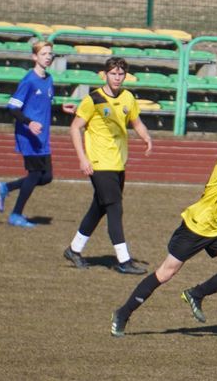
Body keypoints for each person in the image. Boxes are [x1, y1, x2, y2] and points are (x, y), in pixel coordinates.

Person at [110, 118, 217, 337]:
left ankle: (196, 294)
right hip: (196, 227)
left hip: (216, 227)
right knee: (165, 273)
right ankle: (123, 313)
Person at [63, 57, 152, 275]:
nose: (117, 77)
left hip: (118, 163)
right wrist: (83, 159)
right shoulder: (93, 99)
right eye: (113, 73)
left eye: (121, 74)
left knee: (100, 207)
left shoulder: (128, 97)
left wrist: (147, 138)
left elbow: (136, 122)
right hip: (99, 163)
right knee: (115, 208)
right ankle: (123, 260)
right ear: (105, 75)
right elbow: (75, 128)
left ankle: (74, 249)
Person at [0, 40, 54, 228]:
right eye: (44, 54)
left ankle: (6, 187)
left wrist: (62, 108)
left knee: (46, 177)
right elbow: (12, 108)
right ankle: (16, 215)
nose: (48, 57)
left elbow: (44, 105)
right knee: (35, 174)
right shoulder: (28, 81)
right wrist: (30, 123)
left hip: (43, 136)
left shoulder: (49, 78)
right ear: (34, 57)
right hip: (28, 135)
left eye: (50, 54)